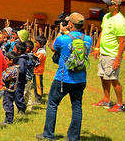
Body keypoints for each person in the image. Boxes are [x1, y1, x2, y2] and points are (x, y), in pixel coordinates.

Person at [37, 13, 92, 141]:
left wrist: (61, 31)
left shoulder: (63, 39)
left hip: (63, 78)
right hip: (81, 78)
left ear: (70, 24)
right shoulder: (88, 39)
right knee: (77, 106)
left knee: (52, 104)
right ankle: (73, 137)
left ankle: (48, 134)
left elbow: (52, 47)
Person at [91, 0, 125, 112]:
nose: (107, 6)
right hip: (103, 53)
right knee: (103, 76)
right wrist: (97, 48)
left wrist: (117, 59)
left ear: (116, 6)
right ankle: (106, 100)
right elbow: (103, 32)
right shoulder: (106, 17)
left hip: (112, 55)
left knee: (113, 79)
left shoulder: (120, 22)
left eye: (109, 4)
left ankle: (120, 104)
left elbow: (122, 42)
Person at [1, 52, 21, 126]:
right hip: (12, 89)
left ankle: (8, 120)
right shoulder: (16, 68)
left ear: (11, 61)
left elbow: (5, 77)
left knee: (7, 104)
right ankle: (9, 119)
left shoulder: (12, 69)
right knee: (9, 104)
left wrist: (1, 71)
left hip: (8, 90)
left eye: (6, 59)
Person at [32, 36, 48, 103]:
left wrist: (34, 52)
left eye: (37, 43)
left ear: (42, 44)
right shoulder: (39, 49)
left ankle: (38, 98)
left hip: (38, 71)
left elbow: (37, 60)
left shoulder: (42, 52)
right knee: (36, 84)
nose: (35, 44)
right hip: (35, 70)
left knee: (38, 85)